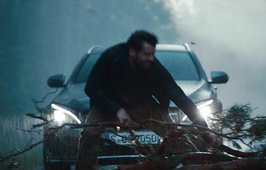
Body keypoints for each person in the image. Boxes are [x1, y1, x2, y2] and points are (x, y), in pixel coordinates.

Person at [76, 30, 213, 170]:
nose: (151, 58)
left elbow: (176, 93)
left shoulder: (153, 67)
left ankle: (200, 166)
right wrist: (116, 109)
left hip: (142, 104)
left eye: (153, 54)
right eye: (146, 54)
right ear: (132, 52)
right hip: (107, 105)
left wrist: (202, 125)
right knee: (89, 133)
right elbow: (91, 88)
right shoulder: (111, 58)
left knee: (174, 136)